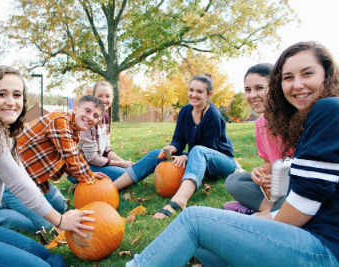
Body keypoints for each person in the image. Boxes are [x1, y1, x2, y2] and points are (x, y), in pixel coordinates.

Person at [125, 41, 339, 267]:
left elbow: (301, 208)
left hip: (322, 248)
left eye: (307, 74)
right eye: (288, 77)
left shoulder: (328, 109)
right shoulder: (306, 118)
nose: (297, 85)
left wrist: (257, 220)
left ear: (327, 74)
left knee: (194, 220)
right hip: (307, 231)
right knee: (202, 246)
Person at [0, 66, 95, 267]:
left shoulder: (4, 134)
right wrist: (61, 220)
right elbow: (19, 185)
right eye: (1, 94)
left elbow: (24, 178)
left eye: (17, 95)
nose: (11, 102)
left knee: (49, 258)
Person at [114, 74, 237, 219]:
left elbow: (208, 148)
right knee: (156, 154)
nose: (194, 94)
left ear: (209, 94)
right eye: (191, 90)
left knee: (197, 151)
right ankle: (112, 188)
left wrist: (186, 156)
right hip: (198, 158)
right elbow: (178, 140)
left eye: (199, 91)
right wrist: (172, 148)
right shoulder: (185, 112)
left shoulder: (213, 115)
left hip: (222, 162)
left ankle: (179, 201)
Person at [0, 95, 108, 232]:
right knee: (47, 226)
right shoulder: (59, 120)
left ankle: (18, 207)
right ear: (75, 109)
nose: (90, 117)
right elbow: (72, 155)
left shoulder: (74, 133)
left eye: (95, 116)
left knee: (61, 207)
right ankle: (0, 214)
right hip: (12, 185)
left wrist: (91, 175)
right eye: (87, 111)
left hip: (35, 181)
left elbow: (67, 164)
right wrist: (90, 179)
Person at [224, 63, 292, 215]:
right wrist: (260, 172)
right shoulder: (260, 123)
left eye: (259, 88)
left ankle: (259, 214)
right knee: (233, 181)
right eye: (247, 90)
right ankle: (271, 211)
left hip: (294, 186)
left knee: (296, 196)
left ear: (275, 87)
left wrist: (280, 179)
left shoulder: (294, 119)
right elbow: (268, 163)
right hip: (274, 189)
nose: (252, 95)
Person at [68, 81, 133, 184]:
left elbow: (106, 149)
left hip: (97, 163)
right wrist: (120, 164)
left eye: (107, 96)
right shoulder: (88, 119)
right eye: (100, 96)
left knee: (129, 173)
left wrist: (123, 162)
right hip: (81, 167)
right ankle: (82, 182)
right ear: (93, 97)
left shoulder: (105, 117)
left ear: (112, 98)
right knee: (126, 176)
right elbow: (92, 158)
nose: (104, 99)